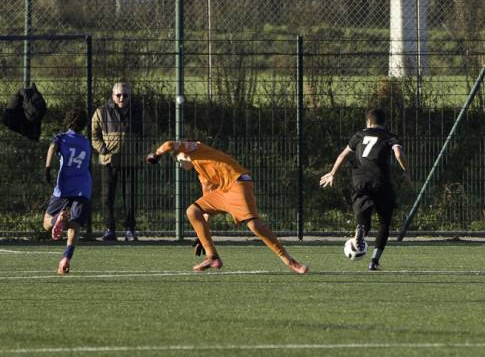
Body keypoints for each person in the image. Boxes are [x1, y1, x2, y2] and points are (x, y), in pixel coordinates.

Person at [145, 140, 308, 274]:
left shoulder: (197, 148)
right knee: (193, 210)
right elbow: (206, 207)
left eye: (178, 158)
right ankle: (212, 257)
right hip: (224, 191)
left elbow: (169, 144)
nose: (179, 163)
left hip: (238, 182)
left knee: (254, 225)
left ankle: (289, 261)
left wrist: (157, 154)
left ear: (184, 153)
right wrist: (203, 236)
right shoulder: (202, 175)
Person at [320, 108, 411, 271]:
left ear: (368, 122)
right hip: (381, 181)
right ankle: (374, 261)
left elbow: (343, 155)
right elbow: (398, 154)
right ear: (385, 123)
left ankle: (360, 229)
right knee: (384, 223)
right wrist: (407, 172)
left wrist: (332, 173)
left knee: (364, 219)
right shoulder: (390, 136)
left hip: (360, 180)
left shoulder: (359, 135)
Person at [92, 82, 145, 242]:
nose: (122, 98)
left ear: (129, 96)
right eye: (118, 95)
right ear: (112, 95)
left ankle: (130, 229)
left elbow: (150, 134)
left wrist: (141, 152)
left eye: (125, 95)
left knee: (130, 197)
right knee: (108, 197)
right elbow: (94, 135)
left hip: (131, 161)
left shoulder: (138, 112)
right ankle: (110, 229)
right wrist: (103, 149)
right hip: (109, 161)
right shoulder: (101, 112)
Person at [44, 109, 93, 275]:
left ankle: (57, 218)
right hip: (83, 188)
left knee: (46, 222)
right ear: (84, 125)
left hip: (64, 187)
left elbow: (52, 147)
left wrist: (48, 168)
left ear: (67, 121)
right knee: (75, 225)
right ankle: (66, 258)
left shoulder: (61, 137)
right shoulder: (86, 142)